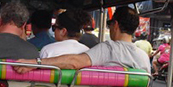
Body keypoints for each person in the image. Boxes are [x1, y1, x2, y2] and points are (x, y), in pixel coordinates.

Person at [15, 6, 151, 74]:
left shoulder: (109, 48)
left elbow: (75, 62)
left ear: (115, 25)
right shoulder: (143, 56)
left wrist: (35, 63)